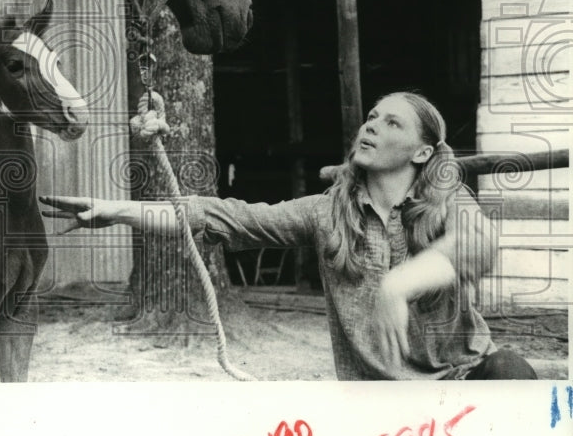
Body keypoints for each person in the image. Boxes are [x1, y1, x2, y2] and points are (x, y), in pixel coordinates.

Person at [41, 92, 537, 381]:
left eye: (391, 123)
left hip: (465, 384)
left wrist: (398, 284)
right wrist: (115, 210)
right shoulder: (325, 214)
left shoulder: (449, 198)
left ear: (423, 153)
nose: (371, 126)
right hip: (377, 407)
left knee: (512, 373)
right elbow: (222, 216)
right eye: (371, 117)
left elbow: (481, 245)